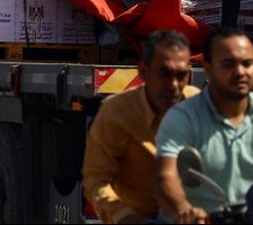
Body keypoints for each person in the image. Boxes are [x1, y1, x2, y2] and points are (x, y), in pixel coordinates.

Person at [155, 28, 253, 222]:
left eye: (247, 63)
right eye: (228, 64)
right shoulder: (182, 117)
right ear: (208, 68)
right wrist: (184, 210)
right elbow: (165, 177)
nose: (240, 72)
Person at [82, 30, 199, 224]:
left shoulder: (197, 105)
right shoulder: (117, 112)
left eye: (181, 75)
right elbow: (96, 180)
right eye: (164, 73)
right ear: (143, 72)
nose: (174, 85)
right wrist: (123, 216)